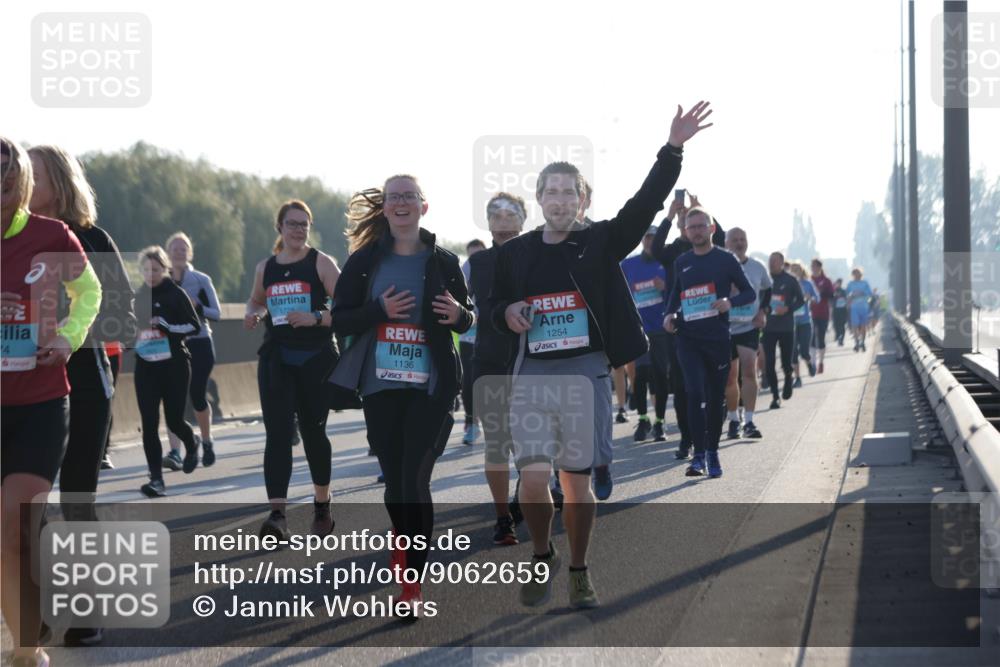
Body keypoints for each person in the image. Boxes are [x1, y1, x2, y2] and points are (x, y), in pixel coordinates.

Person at [492, 101, 713, 609]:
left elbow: (648, 201)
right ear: (540, 200)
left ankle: (579, 567)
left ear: (582, 200)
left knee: (575, 482)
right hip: (531, 374)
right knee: (532, 477)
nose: (561, 200)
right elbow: (493, 306)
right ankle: (543, 552)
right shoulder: (516, 253)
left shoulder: (603, 241)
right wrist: (509, 312)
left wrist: (673, 148)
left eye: (570, 192)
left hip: (585, 373)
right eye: (552, 192)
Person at [330, 176, 474, 616]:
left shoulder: (445, 260)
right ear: (386, 209)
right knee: (395, 486)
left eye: (409, 196)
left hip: (430, 387)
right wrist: (379, 312)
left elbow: (466, 320)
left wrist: (459, 315)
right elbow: (339, 320)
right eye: (394, 197)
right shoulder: (364, 261)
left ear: (423, 207)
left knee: (415, 481)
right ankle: (401, 539)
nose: (401, 203)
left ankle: (411, 583)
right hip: (380, 386)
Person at [27, 145, 136, 647]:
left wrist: (66, 332)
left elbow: (120, 315)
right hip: (21, 389)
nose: (21, 178)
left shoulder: (90, 238)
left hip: (85, 383)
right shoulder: (14, 239)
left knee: (76, 499)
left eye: (34, 171)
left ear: (60, 182)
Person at [2, 136, 102, 667]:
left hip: (45, 397)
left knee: (26, 521)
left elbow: (93, 295)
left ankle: (28, 645)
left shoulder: (57, 236)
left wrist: (66, 337)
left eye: (9, 175)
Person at [244, 200, 340, 538]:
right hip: (277, 358)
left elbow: (347, 311)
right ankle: (277, 516)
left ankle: (322, 504)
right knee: (278, 436)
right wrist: (252, 312)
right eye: (292, 223)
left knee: (314, 434)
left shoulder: (322, 263)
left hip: (315, 359)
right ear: (280, 228)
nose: (298, 229)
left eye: (304, 224)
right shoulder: (265, 268)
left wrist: (315, 317)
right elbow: (257, 299)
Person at [664, 207, 755, 477]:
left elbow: (749, 292)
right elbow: (675, 294)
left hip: (716, 339)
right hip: (688, 338)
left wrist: (729, 302)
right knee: (694, 393)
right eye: (691, 227)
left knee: (716, 398)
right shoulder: (682, 261)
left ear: (711, 229)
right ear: (686, 231)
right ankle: (698, 455)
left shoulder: (726, 260)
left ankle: (713, 453)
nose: (696, 231)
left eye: (701, 226)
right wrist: (668, 314)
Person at [651, 192, 726, 458]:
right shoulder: (672, 252)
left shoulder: (711, 246)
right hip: (680, 327)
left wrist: (700, 207)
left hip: (711, 324)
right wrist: (670, 215)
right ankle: (687, 438)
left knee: (709, 384)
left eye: (694, 221)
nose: (690, 225)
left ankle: (709, 429)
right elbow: (654, 248)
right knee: (682, 386)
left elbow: (723, 238)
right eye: (686, 221)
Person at [469, 193, 525, 545]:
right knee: (497, 444)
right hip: (490, 360)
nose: (503, 221)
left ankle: (528, 494)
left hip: (535, 361)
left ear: (523, 219)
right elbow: (468, 305)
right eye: (495, 215)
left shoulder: (541, 254)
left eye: (510, 215)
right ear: (488, 223)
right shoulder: (477, 263)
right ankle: (503, 517)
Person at [132, 246, 202, 497]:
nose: (151, 274)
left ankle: (191, 442)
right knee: (149, 423)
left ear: (165, 269)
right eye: (147, 270)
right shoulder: (137, 297)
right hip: (146, 368)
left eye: (156, 269)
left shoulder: (175, 293)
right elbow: (128, 330)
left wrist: (166, 326)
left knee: (173, 420)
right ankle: (156, 480)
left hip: (174, 366)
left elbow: (194, 326)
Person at [163, 232, 221, 470]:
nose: (178, 252)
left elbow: (217, 313)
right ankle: (176, 451)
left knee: (196, 395)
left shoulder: (201, 280)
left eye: (183, 248)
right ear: (167, 253)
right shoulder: (160, 281)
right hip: (171, 345)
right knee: (171, 398)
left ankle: (206, 441)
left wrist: (198, 306)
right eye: (174, 248)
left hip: (199, 343)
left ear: (190, 253)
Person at [620, 225, 670, 442]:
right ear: (642, 240)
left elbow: (678, 289)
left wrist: (665, 287)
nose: (650, 241)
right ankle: (642, 419)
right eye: (647, 237)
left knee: (660, 377)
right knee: (640, 376)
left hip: (662, 329)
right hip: (639, 329)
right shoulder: (629, 264)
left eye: (654, 237)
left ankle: (659, 422)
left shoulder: (667, 262)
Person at [723, 227, 771, 440]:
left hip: (749, 326)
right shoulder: (720, 266)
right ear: (726, 243)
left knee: (749, 372)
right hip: (725, 327)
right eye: (735, 239)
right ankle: (734, 418)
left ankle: (749, 420)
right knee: (730, 377)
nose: (739, 243)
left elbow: (768, 290)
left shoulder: (757, 267)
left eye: (742, 239)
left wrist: (763, 311)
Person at [761, 252, 805, 409]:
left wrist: (788, 308)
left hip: (786, 327)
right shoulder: (764, 279)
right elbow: (757, 298)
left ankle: (788, 377)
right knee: (770, 363)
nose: (771, 264)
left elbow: (801, 300)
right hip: (768, 327)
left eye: (775, 261)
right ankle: (775, 396)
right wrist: (763, 308)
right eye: (770, 261)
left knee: (786, 361)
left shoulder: (790, 280)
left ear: (781, 262)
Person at [460, 238, 487, 445]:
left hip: (489, 335)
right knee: (468, 380)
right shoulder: (464, 270)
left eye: (479, 254)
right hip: (468, 334)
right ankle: (471, 422)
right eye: (472, 255)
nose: (475, 259)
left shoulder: (494, 266)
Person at [789, 262, 816, 387]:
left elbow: (818, 298)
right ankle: (797, 378)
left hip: (805, 321)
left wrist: (810, 297)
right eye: (792, 269)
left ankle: (809, 364)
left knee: (804, 351)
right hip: (790, 322)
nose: (795, 271)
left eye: (797, 269)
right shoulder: (787, 284)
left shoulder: (808, 284)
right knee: (793, 352)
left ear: (802, 270)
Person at [809, 258, 835, 373]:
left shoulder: (826, 280)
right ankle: (813, 363)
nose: (813, 268)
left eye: (815, 266)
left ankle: (821, 362)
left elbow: (831, 295)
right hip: (810, 313)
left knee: (821, 338)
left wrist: (821, 293)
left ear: (819, 267)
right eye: (812, 266)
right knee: (812, 337)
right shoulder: (808, 280)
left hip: (823, 312)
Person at [845, 268, 873, 351]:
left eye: (858, 273)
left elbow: (870, 295)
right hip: (854, 307)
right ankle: (856, 342)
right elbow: (847, 294)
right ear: (853, 275)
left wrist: (862, 293)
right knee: (855, 325)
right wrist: (850, 297)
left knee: (863, 325)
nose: (856, 275)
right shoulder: (850, 284)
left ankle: (863, 342)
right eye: (855, 274)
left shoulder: (865, 283)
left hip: (864, 306)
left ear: (861, 274)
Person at [831, 278, 848, 346]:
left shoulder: (844, 291)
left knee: (842, 325)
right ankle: (837, 335)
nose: (838, 284)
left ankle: (841, 339)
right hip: (835, 310)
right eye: (837, 283)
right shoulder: (833, 291)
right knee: (835, 325)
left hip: (843, 310)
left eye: (839, 283)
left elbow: (847, 299)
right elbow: (831, 299)